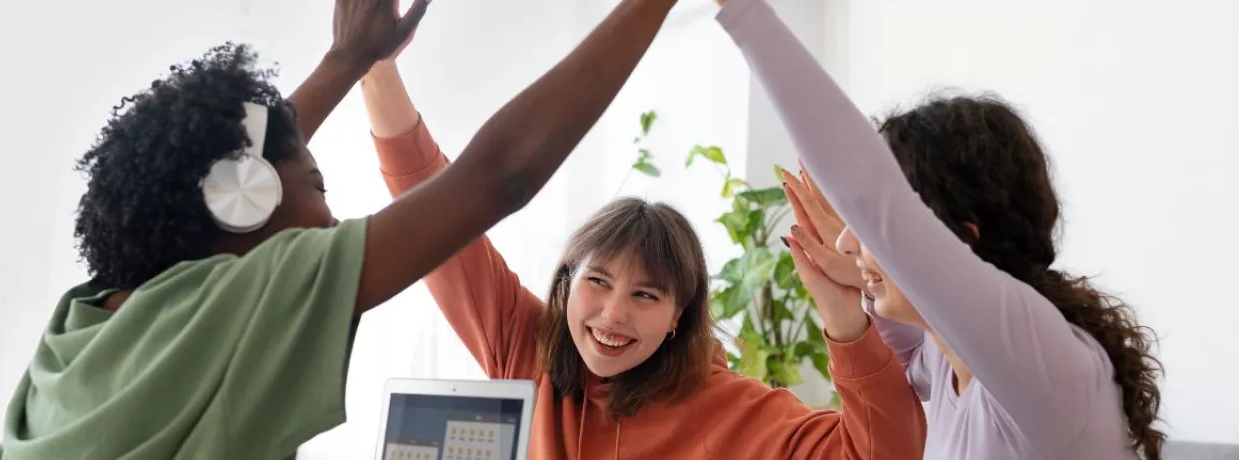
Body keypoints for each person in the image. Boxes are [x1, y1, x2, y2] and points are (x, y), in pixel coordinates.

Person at [0, 0, 689, 456]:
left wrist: (346, 59)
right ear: (246, 200)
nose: (330, 217)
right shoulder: (248, 294)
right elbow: (501, 173)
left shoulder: (91, 318)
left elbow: (229, 169)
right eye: (319, 186)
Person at [362, 7, 926, 460]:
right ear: (566, 284)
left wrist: (845, 317)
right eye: (599, 282)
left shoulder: (730, 409)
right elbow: (436, 215)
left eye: (646, 295)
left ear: (679, 314)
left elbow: (886, 451)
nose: (611, 315)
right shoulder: (524, 345)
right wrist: (372, 66)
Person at [715, 0, 1166, 458]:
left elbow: (869, 192)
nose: (849, 241)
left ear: (961, 238)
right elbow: (911, 359)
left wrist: (741, 9)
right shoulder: (950, 356)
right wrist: (856, 286)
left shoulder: (1041, 362)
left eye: (875, 229)